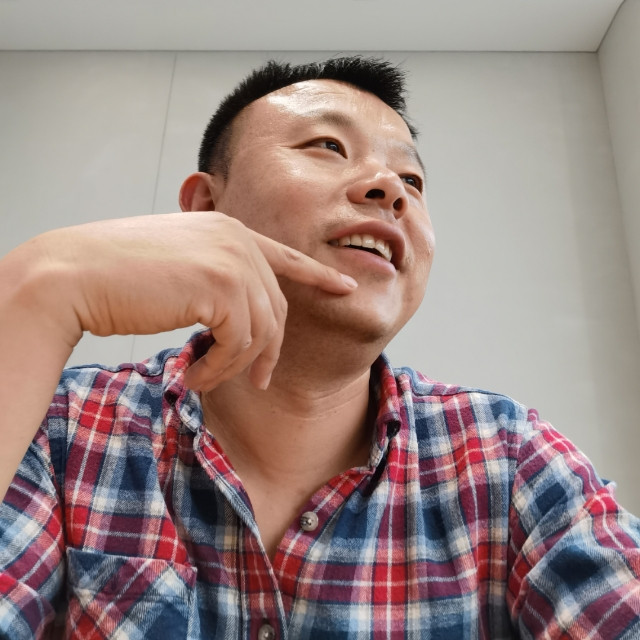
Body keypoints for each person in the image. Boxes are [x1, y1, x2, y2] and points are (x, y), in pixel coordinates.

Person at [0, 56, 638, 640]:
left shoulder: (507, 458)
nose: (390, 189)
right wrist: (38, 288)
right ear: (206, 209)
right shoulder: (63, 428)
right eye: (328, 146)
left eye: (411, 179)